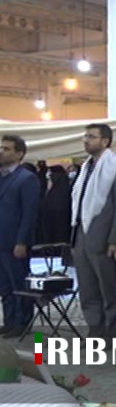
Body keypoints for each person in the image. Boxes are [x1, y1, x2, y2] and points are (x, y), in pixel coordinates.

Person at [71, 124, 116, 340]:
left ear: (105, 141)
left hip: (104, 238)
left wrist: (115, 240)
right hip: (81, 234)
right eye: (85, 136)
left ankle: (111, 335)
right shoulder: (86, 167)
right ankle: (95, 333)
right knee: (87, 290)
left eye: (91, 136)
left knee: (108, 290)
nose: (86, 140)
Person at [0, 135, 40, 338]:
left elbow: (29, 213)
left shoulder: (26, 178)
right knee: (5, 285)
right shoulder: (2, 176)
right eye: (1, 147)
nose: (1, 151)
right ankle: (9, 321)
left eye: (6, 149)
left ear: (19, 154)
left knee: (19, 283)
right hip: (1, 241)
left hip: (15, 241)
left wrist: (22, 241)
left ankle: (22, 322)